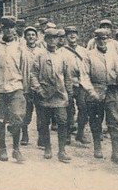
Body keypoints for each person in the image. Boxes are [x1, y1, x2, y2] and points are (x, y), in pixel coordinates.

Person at [0, 16, 28, 163]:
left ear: (15, 29)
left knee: (17, 117)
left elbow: (25, 70)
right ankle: (3, 149)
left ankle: (16, 149)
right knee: (0, 119)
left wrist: (25, 89)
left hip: (16, 88)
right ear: (2, 29)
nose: (9, 30)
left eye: (11, 27)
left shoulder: (20, 48)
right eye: (6, 28)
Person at [82, 28, 118, 163]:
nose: (103, 41)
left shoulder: (114, 55)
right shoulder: (89, 55)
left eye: (105, 39)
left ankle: (116, 151)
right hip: (96, 89)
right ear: (95, 40)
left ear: (109, 40)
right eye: (100, 39)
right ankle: (97, 147)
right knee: (96, 120)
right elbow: (84, 76)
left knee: (114, 121)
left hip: (112, 90)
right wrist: (91, 92)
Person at [31, 27, 74, 162]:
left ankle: (61, 150)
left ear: (58, 40)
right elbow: (33, 74)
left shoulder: (63, 55)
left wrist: (69, 92)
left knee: (62, 121)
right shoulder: (39, 55)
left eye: (55, 38)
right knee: (44, 123)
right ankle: (48, 148)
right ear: (45, 40)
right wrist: (39, 89)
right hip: (44, 95)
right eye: (49, 38)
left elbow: (67, 76)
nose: (52, 41)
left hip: (60, 95)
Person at [60, 25, 92, 146]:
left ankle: (80, 133)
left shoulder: (84, 51)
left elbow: (89, 67)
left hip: (82, 84)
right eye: (69, 34)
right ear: (66, 36)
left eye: (74, 33)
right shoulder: (62, 51)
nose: (72, 36)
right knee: (69, 109)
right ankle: (67, 134)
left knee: (84, 108)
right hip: (67, 83)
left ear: (78, 35)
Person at [21, 25, 43, 146]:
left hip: (38, 87)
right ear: (25, 37)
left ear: (36, 37)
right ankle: (24, 134)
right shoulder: (21, 51)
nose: (31, 37)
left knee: (41, 113)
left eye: (33, 35)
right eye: (28, 35)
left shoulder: (41, 52)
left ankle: (41, 137)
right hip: (25, 87)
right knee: (26, 113)